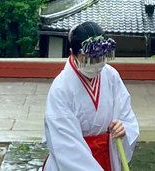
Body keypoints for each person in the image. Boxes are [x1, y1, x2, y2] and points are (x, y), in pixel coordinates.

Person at [43, 21, 139, 170]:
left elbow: (125, 113)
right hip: (75, 160)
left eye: (101, 58)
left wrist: (122, 127)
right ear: (72, 53)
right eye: (88, 58)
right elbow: (65, 143)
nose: (96, 64)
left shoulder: (111, 75)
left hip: (106, 155)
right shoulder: (61, 88)